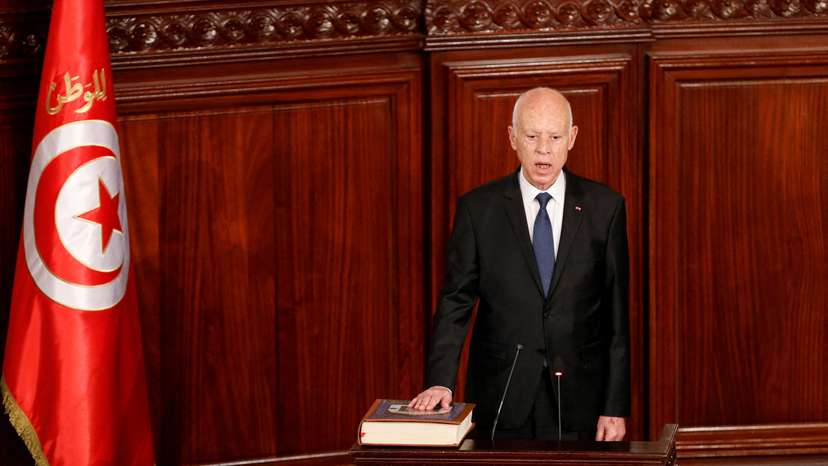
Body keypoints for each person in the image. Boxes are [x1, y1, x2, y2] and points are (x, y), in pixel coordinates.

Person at [409, 87, 629, 441]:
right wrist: (440, 381)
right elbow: (455, 302)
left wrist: (615, 406)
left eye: (555, 137)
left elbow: (617, 316)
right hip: (501, 392)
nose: (544, 149)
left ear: (571, 138)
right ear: (513, 138)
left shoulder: (605, 208)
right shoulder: (478, 210)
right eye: (532, 136)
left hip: (580, 397)